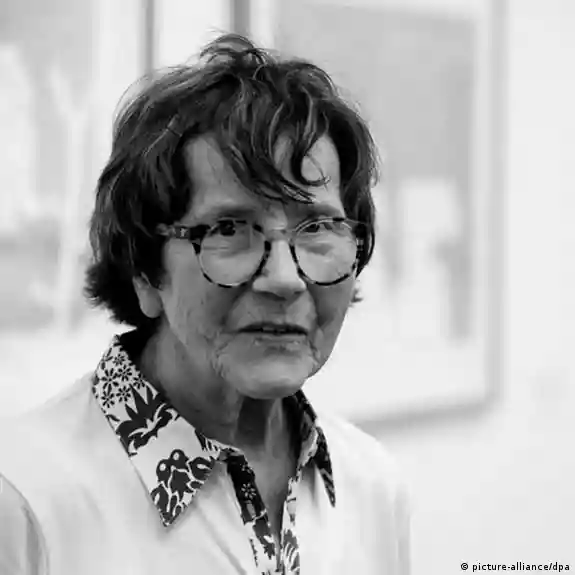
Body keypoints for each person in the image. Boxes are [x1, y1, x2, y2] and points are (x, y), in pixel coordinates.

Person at [0, 34, 410, 574]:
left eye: (318, 228)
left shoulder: (371, 486)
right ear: (146, 270)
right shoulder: (25, 500)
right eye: (230, 229)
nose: (284, 279)